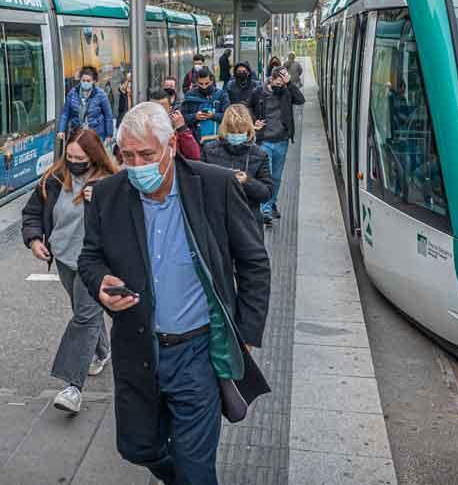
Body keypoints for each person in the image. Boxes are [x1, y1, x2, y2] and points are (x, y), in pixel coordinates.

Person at [77, 102, 271, 485]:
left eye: (146, 154)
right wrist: (99, 283)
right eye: (127, 155)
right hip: (137, 350)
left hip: (197, 352)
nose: (136, 165)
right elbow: (90, 257)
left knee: (196, 468)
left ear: (170, 148)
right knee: (138, 449)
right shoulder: (108, 195)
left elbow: (254, 263)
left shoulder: (215, 186)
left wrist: (245, 334)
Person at [21, 128, 119, 414]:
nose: (74, 161)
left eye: (80, 157)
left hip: (97, 263)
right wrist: (35, 239)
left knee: (84, 317)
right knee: (85, 312)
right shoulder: (53, 179)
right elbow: (32, 213)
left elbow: (127, 219)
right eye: (70, 156)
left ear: (94, 156)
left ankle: (72, 388)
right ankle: (102, 351)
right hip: (64, 258)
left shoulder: (112, 182)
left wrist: (102, 198)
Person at [202, 105, 274, 227]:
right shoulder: (209, 150)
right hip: (217, 221)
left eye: (240, 132)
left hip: (248, 222)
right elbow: (199, 185)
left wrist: (247, 181)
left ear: (248, 130)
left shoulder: (260, 155)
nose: (236, 135)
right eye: (231, 131)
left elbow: (266, 194)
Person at [249, 67, 306, 221]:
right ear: (271, 80)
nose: (279, 86)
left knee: (276, 177)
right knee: (267, 175)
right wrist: (254, 121)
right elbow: (247, 106)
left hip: (281, 140)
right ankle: (266, 209)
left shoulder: (287, 91)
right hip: (264, 140)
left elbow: (301, 100)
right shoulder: (259, 92)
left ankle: (271, 203)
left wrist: (290, 84)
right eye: (277, 83)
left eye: (282, 83)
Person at [57, 66, 115, 144]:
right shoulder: (72, 93)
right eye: (83, 80)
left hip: (96, 135)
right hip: (78, 134)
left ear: (93, 81)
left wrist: (109, 135)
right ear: (80, 80)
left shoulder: (101, 95)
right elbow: (65, 113)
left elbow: (108, 116)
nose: (85, 83)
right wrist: (61, 130)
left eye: (88, 81)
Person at [180, 68, 231, 145]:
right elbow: (182, 118)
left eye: (207, 83)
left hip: (218, 139)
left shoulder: (222, 95)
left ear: (212, 81)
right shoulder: (189, 95)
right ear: (196, 82)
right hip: (195, 139)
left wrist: (213, 116)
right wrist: (195, 117)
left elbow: (228, 117)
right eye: (201, 84)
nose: (204, 87)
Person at [150, 89, 201, 160]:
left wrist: (182, 128)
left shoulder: (177, 127)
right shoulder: (141, 126)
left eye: (162, 108)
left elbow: (194, 155)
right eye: (154, 108)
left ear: (170, 109)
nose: (158, 112)